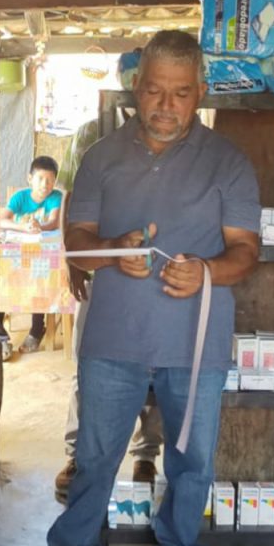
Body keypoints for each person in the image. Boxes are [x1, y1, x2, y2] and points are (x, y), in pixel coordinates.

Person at [32, 31, 261, 546]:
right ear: (137, 87)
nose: (166, 105)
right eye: (155, 90)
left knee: (192, 464)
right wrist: (113, 251)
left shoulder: (228, 162)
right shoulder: (101, 156)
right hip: (114, 337)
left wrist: (206, 272)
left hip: (195, 342)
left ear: (200, 92)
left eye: (181, 93)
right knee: (94, 458)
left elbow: (245, 252)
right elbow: (77, 243)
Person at [54, 119, 164, 500]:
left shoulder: (174, 133)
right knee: (88, 363)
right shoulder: (91, 133)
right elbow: (69, 198)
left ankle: (145, 455)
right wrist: (72, 259)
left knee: (155, 367)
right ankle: (77, 454)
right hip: (101, 269)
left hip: (158, 273)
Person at [0, 156, 63, 353]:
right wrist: (23, 227)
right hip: (17, 254)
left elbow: (53, 222)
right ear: (30, 179)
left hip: (41, 255)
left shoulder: (55, 197)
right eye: (40, 179)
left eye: (50, 180)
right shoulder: (20, 197)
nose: (45, 185)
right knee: (1, 278)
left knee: (41, 279)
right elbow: (2, 220)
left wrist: (39, 226)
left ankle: (36, 329)